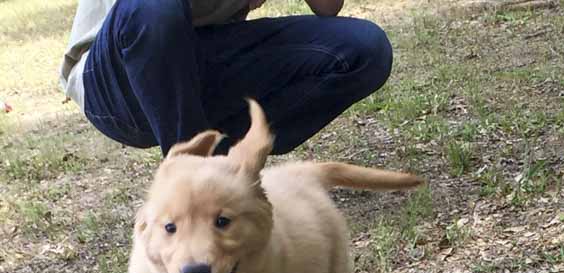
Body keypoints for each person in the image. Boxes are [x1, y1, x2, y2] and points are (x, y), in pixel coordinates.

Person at [59, 0, 393, 157]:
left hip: (201, 62)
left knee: (364, 50)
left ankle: (232, 156)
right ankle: (195, 181)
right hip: (116, 82)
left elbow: (328, 6)